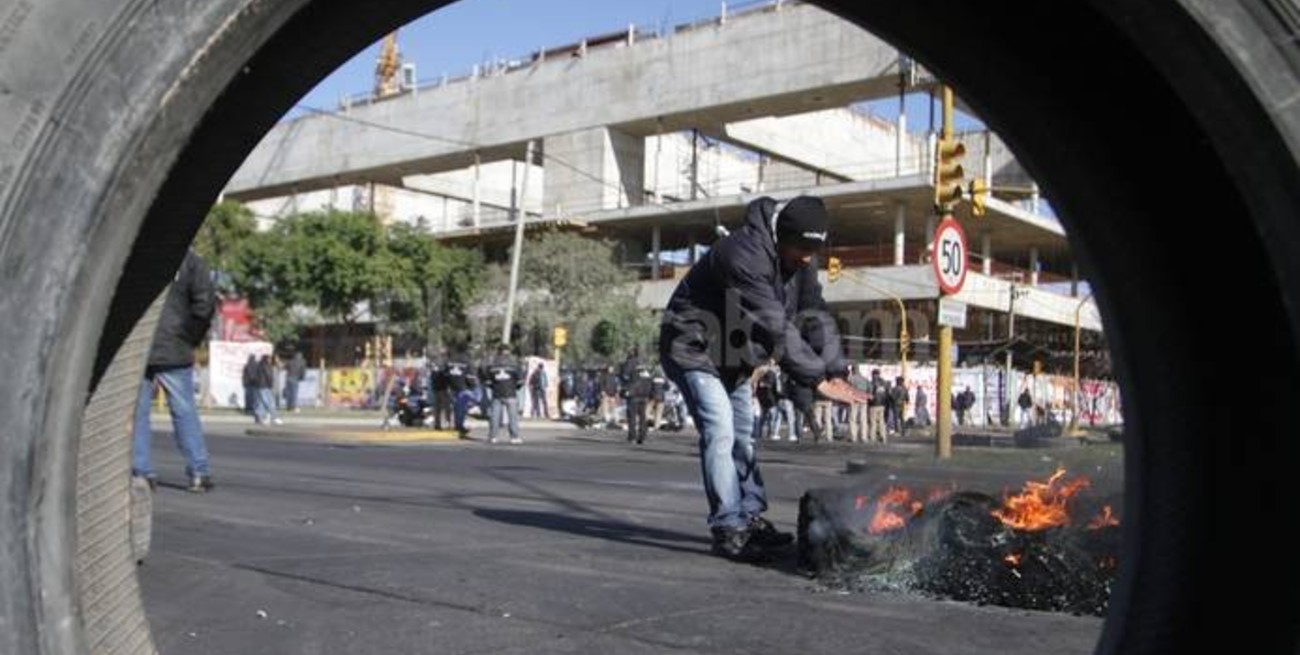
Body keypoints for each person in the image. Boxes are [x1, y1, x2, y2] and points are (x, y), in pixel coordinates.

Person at [659, 195, 867, 560]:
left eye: (813, 251)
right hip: (693, 348)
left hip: (734, 357)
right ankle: (728, 527)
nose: (807, 259)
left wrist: (834, 369)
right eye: (802, 250)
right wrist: (815, 378)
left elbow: (813, 312)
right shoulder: (741, 253)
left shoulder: (800, 258)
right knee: (720, 431)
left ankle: (749, 518)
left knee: (744, 438)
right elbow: (774, 324)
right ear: (782, 236)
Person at [132, 249, 217, 493]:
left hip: (139, 346)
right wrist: (189, 338)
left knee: (138, 414)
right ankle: (198, 472)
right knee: (184, 411)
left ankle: (141, 472)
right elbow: (204, 305)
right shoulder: (191, 261)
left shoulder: (137, 257)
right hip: (175, 346)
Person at [482, 343, 524, 444]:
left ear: (498, 351)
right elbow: (520, 381)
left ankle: (493, 437)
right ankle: (514, 437)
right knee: (513, 417)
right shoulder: (514, 364)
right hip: (511, 393)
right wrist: (515, 387)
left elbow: (487, 382)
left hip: (497, 393)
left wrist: (494, 387)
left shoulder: (492, 365)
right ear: (508, 351)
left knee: (495, 416)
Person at [622, 348, 653, 444]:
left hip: (633, 393)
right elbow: (649, 378)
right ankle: (642, 436)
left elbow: (625, 376)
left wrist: (625, 388)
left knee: (632, 416)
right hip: (644, 394)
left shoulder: (630, 363)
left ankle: (632, 437)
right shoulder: (644, 364)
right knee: (643, 416)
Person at [867, 368, 889, 443]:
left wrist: (869, 401)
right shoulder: (884, 383)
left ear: (873, 375)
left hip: (873, 404)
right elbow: (886, 394)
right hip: (882, 405)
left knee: (873, 421)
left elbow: (870, 394)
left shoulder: (872, 383)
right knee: (881, 421)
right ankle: (883, 436)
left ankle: (872, 437)